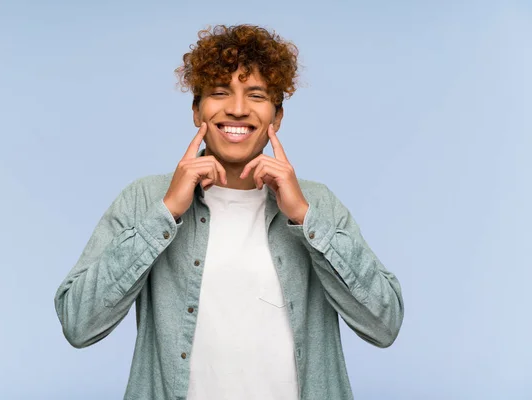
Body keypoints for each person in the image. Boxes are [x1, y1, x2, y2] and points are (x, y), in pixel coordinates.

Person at [55, 24, 404, 400]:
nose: (237, 109)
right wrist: (166, 213)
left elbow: (384, 324)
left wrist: (304, 217)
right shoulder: (144, 199)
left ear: (277, 116)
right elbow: (79, 324)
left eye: (256, 95)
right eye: (220, 93)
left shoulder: (317, 203)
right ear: (196, 111)